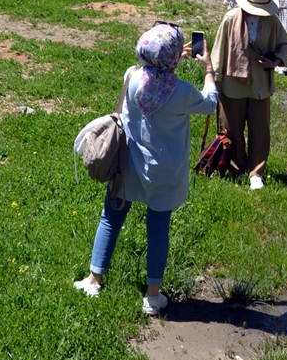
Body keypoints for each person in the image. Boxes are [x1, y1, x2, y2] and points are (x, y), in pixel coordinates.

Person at [73, 23, 218, 314]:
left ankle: (93, 280)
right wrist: (209, 69)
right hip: (163, 174)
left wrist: (170, 56)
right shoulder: (183, 92)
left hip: (126, 167)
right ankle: (152, 297)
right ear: (173, 58)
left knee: (110, 219)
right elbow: (211, 104)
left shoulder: (132, 76)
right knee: (158, 230)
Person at [210, 0, 287, 190]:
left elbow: (286, 43)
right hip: (232, 83)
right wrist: (215, 83)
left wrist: (276, 62)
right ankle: (238, 167)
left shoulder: (272, 20)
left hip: (259, 84)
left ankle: (256, 172)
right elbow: (218, 52)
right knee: (232, 128)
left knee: (260, 129)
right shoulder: (230, 19)